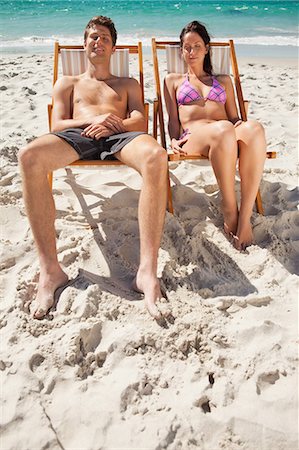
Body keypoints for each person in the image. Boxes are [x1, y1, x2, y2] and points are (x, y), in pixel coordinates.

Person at [18, 16, 168, 320]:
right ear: (84, 44)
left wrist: (113, 124)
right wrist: (92, 121)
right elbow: (57, 124)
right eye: (92, 37)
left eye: (104, 38)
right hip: (78, 135)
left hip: (121, 134)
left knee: (156, 156)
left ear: (113, 48)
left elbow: (140, 121)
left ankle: (147, 273)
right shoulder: (68, 83)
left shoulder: (127, 84)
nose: (97, 42)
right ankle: (51, 272)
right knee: (29, 156)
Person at [164, 21, 266, 251]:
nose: (191, 52)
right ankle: (230, 209)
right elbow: (172, 119)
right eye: (186, 47)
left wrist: (242, 125)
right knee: (224, 129)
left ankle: (245, 216)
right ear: (181, 50)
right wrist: (171, 139)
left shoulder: (223, 81)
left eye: (196, 46)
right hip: (193, 137)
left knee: (255, 128)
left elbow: (233, 117)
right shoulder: (173, 80)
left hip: (225, 132)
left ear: (206, 48)